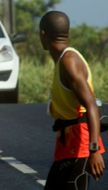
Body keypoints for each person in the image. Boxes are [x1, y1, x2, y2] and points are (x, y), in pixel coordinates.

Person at [39, 11, 105, 190]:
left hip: (81, 146)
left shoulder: (69, 62)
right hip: (68, 143)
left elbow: (91, 105)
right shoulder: (62, 60)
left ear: (42, 35)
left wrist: (94, 150)